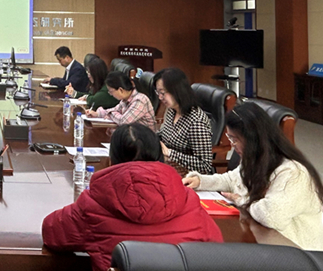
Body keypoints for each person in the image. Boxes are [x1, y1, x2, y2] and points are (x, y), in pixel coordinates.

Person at [42, 124, 222, 271]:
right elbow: (216, 247)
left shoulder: (94, 203)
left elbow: (51, 232)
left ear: (111, 160)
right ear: (161, 157)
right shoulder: (188, 199)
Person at [183, 103, 323, 250]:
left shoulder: (293, 173)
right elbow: (231, 180)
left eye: (235, 139)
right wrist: (200, 181)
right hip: (267, 243)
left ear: (253, 139)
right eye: (230, 138)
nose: (232, 145)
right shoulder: (255, 159)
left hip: (300, 252)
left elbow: (271, 216)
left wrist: (242, 200)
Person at [155, 68, 214, 174]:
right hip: (167, 168)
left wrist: (170, 154)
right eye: (158, 93)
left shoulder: (196, 121)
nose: (160, 97)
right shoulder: (171, 110)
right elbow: (164, 134)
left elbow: (204, 165)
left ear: (177, 91)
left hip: (187, 176)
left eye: (162, 93)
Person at [85, 71, 155, 129]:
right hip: (131, 135)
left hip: (144, 139)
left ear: (120, 90)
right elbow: (114, 110)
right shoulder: (125, 99)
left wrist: (110, 114)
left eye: (111, 91)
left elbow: (123, 121)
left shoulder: (140, 100)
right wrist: (97, 114)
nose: (110, 94)